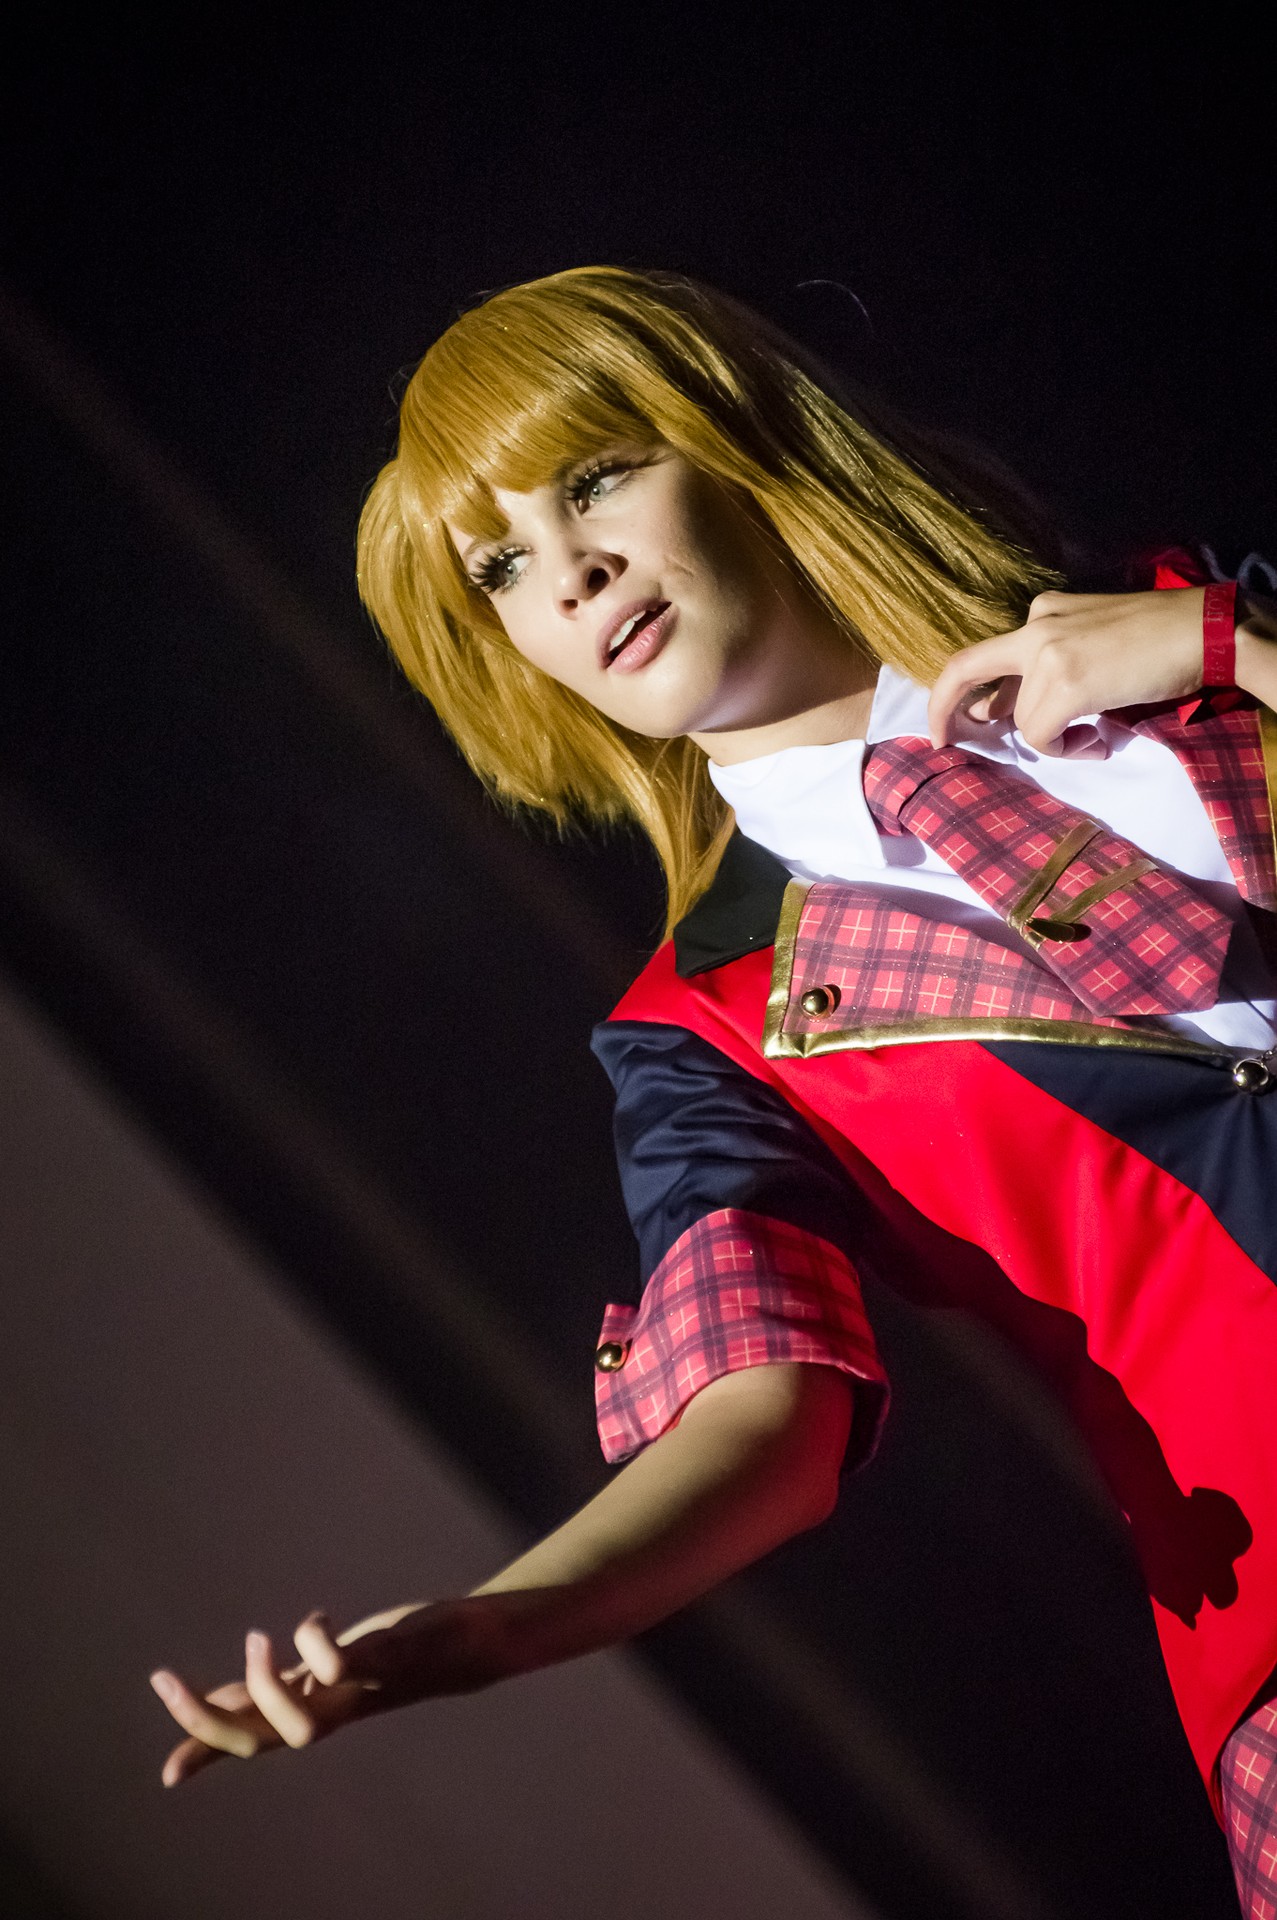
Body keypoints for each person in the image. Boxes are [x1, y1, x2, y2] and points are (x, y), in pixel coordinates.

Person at [149, 267, 1277, 1916]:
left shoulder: (1185, 630)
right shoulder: (702, 1034)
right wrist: (499, 1625)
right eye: (500, 567)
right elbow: (765, 1415)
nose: (571, 569)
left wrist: (1232, 644)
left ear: (737, 430)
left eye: (595, 477)